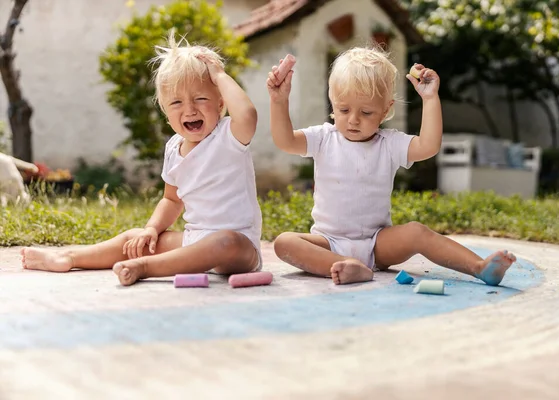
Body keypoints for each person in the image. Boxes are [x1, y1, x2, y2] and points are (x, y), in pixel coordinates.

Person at [21, 31, 263, 286]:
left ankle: (146, 267)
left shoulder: (229, 136)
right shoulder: (173, 148)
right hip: (194, 240)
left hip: (238, 248)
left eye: (201, 99)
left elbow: (247, 114)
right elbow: (171, 200)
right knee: (135, 239)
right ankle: (68, 257)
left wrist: (219, 75)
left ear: (220, 104)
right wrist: (151, 229)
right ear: (165, 111)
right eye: (177, 102)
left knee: (225, 241)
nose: (190, 109)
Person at [266, 47, 516, 285]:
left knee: (417, 232)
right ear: (332, 102)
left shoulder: (389, 143)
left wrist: (430, 99)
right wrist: (279, 101)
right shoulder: (323, 138)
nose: (353, 120)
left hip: (378, 243)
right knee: (285, 242)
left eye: (366, 112)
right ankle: (348, 265)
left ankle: (479, 267)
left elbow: (428, 145)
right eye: (343, 109)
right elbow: (285, 141)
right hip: (328, 243)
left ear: (386, 110)